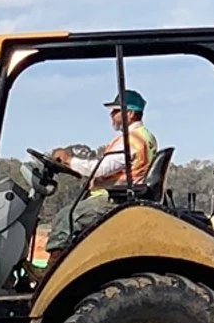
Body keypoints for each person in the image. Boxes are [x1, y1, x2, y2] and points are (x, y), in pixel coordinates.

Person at [49, 89, 160, 252]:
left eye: (115, 111)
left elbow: (101, 169)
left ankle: (55, 263)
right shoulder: (146, 137)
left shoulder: (131, 141)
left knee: (66, 217)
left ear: (129, 113)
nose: (111, 115)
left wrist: (68, 160)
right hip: (124, 196)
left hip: (115, 199)